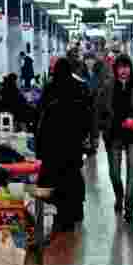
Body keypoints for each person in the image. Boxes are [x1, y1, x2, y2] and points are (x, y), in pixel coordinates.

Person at [96, 54, 133, 225]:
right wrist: (101, 128)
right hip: (113, 136)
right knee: (114, 174)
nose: (123, 71)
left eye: (126, 67)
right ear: (115, 69)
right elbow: (98, 110)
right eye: (120, 67)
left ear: (130, 67)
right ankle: (119, 196)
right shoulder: (108, 85)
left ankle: (129, 209)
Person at [35, 58, 87, 232]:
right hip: (72, 143)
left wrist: (40, 146)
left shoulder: (50, 87)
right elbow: (86, 114)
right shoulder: (79, 87)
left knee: (54, 179)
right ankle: (73, 214)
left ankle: (55, 216)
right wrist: (86, 137)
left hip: (53, 143)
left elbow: (40, 115)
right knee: (72, 178)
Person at [82, 54, 106, 155]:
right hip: (85, 104)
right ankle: (86, 146)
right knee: (85, 125)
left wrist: (98, 93)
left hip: (96, 103)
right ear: (84, 61)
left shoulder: (99, 73)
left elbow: (103, 86)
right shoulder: (81, 73)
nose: (89, 62)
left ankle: (94, 144)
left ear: (95, 61)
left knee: (95, 125)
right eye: (87, 60)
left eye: (91, 60)